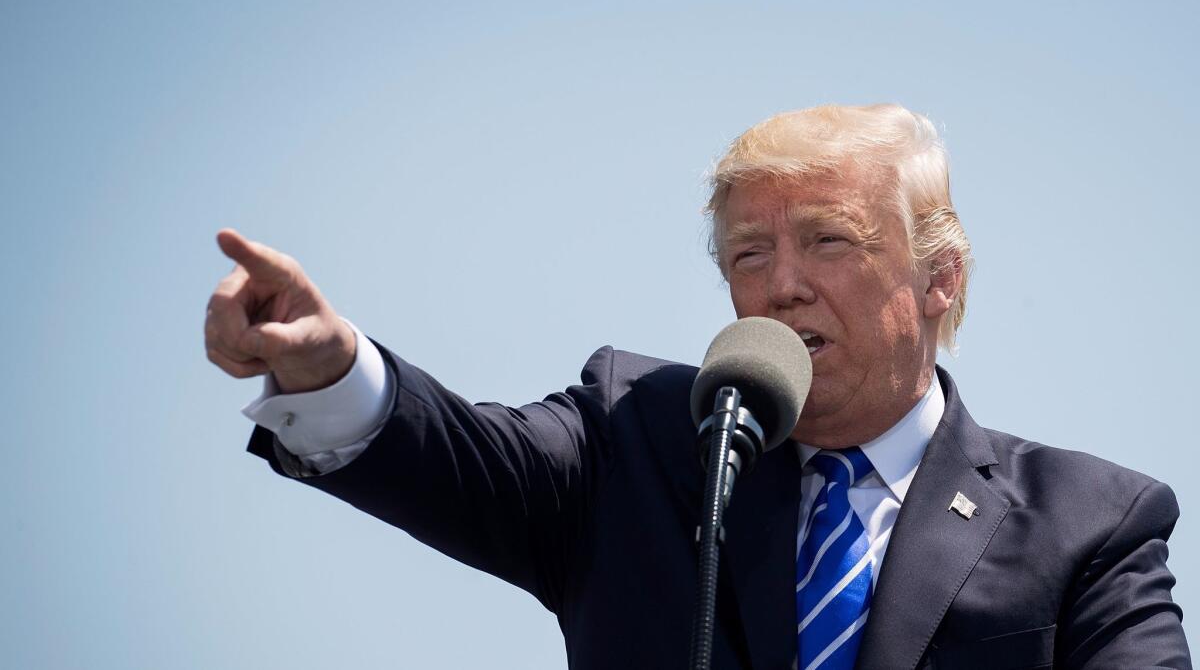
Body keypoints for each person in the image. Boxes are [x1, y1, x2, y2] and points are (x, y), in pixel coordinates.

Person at [205, 104, 1191, 669]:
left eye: (828, 242)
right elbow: (458, 457)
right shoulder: (639, 434)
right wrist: (330, 370)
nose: (779, 283)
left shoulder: (1091, 523)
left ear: (940, 277)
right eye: (748, 253)